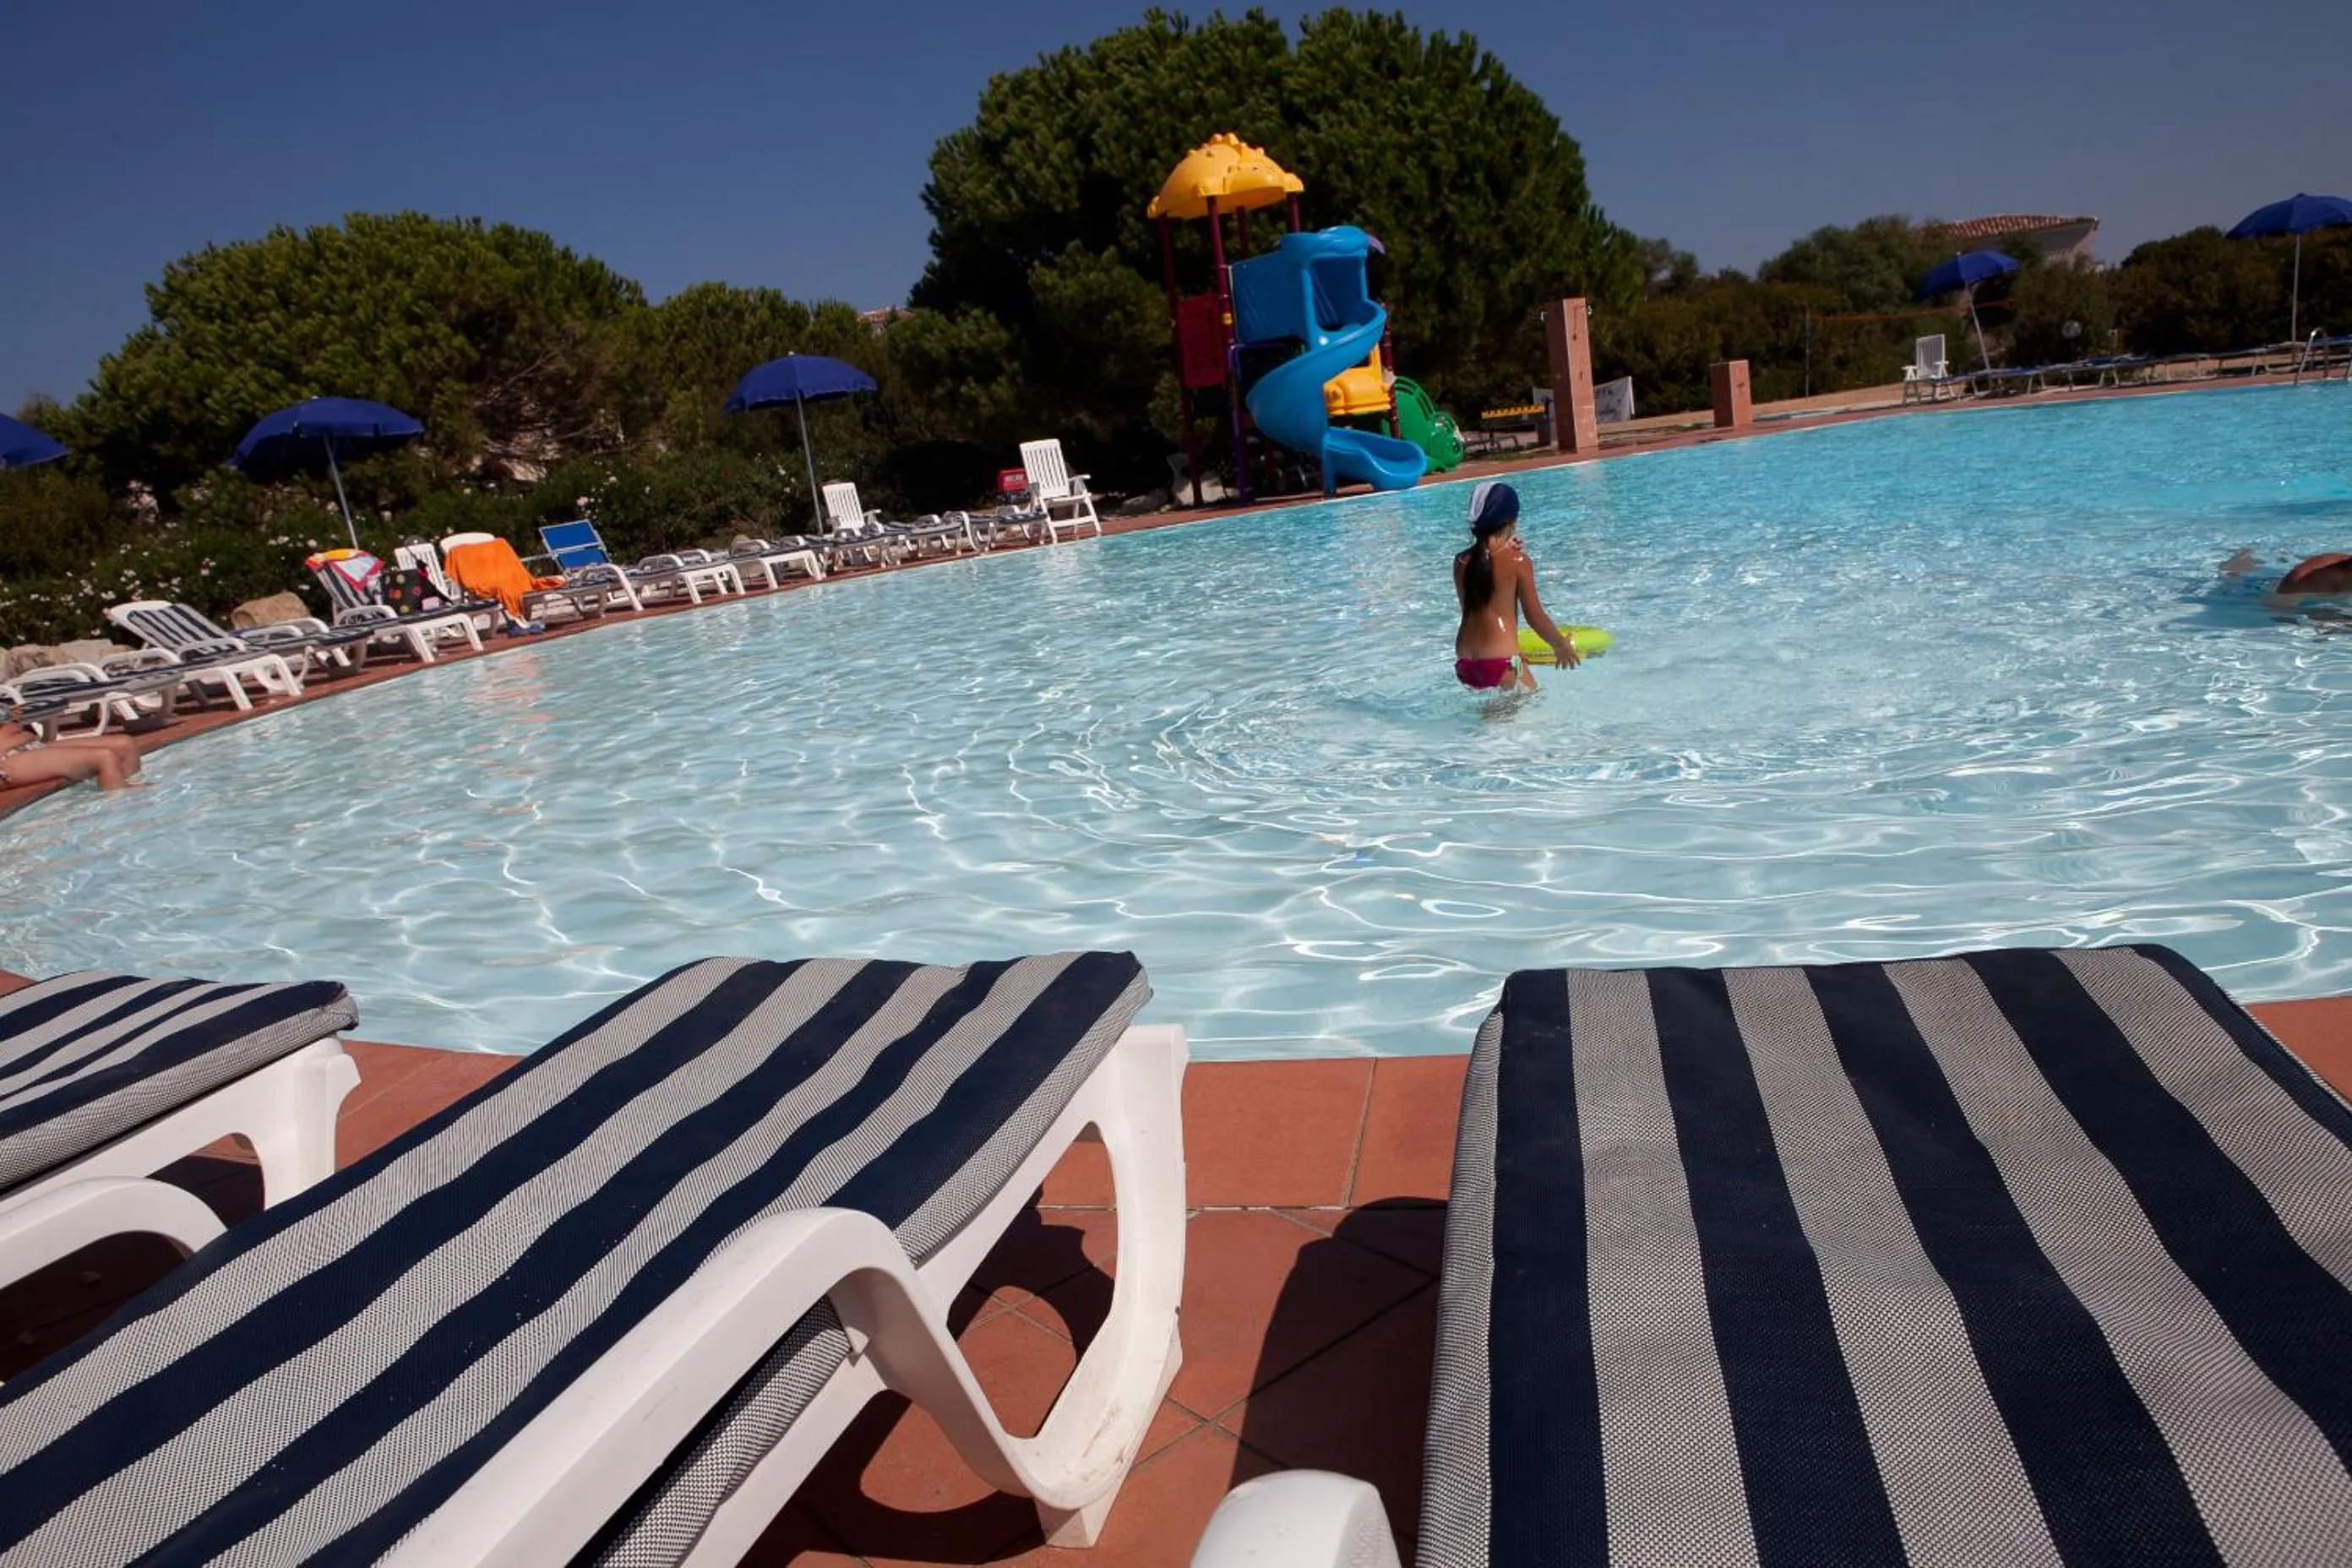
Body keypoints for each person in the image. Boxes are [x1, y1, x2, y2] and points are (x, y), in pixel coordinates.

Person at [1453, 481, 1579, 691]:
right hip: (1502, 665)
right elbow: (1535, 617)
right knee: (1535, 706)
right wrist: (1560, 645)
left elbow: (1475, 608)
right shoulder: (1518, 562)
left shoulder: (1460, 562)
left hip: (1465, 665)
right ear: (1512, 520)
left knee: (1494, 717)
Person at [0, 705, 147, 791]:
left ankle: (128, 792)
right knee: (104, 758)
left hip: (29, 747)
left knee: (125, 744)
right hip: (6, 760)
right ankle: (118, 812)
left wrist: (12, 716)